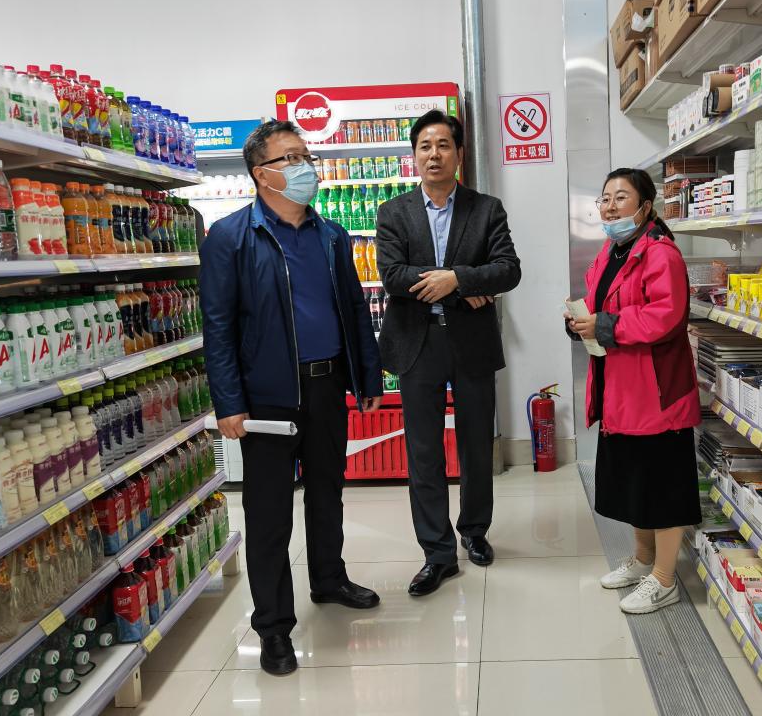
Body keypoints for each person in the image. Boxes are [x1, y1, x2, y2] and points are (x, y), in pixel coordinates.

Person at [199, 120, 384, 676]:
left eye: (307, 156)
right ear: (262, 174)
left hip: (327, 385)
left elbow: (354, 309)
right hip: (267, 398)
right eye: (292, 158)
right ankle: (274, 625)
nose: (306, 167)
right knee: (269, 512)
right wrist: (229, 402)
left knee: (328, 492)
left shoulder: (332, 236)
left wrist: (367, 377)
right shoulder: (230, 237)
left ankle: (329, 580)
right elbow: (218, 327)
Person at [376, 110, 521, 597]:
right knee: (423, 452)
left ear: (459, 153)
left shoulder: (486, 209)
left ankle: (474, 531)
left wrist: (457, 279)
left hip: (471, 343)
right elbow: (392, 276)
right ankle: (437, 554)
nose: (433, 154)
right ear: (414, 156)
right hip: (417, 345)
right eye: (424, 146)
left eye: (443, 145)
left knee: (477, 445)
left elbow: (508, 269)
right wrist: (464, 285)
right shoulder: (393, 212)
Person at [565, 168, 701, 614]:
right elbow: (602, 305)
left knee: (662, 487)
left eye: (620, 197)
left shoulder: (661, 254)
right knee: (634, 482)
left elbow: (666, 316)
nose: (609, 207)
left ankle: (665, 579)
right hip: (621, 387)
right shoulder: (612, 251)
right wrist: (581, 322)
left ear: (645, 206)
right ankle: (643, 560)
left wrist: (605, 325)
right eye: (604, 198)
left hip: (655, 391)